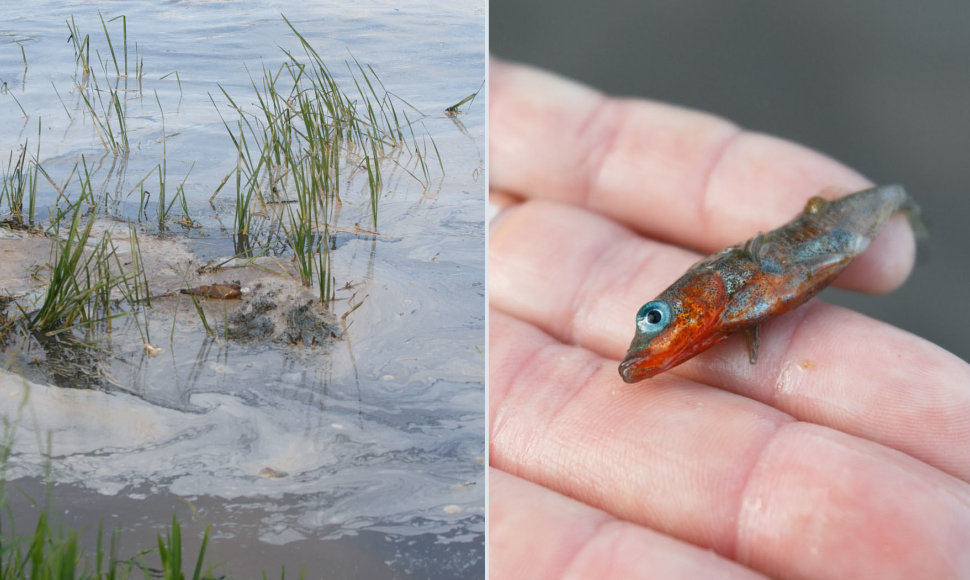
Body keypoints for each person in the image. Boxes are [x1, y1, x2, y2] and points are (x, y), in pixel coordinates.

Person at [489, 59, 970, 579]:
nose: (653, 332)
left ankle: (901, 206)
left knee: (885, 209)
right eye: (654, 319)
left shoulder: (736, 289)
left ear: (710, 283)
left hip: (830, 235)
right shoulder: (726, 308)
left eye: (657, 316)